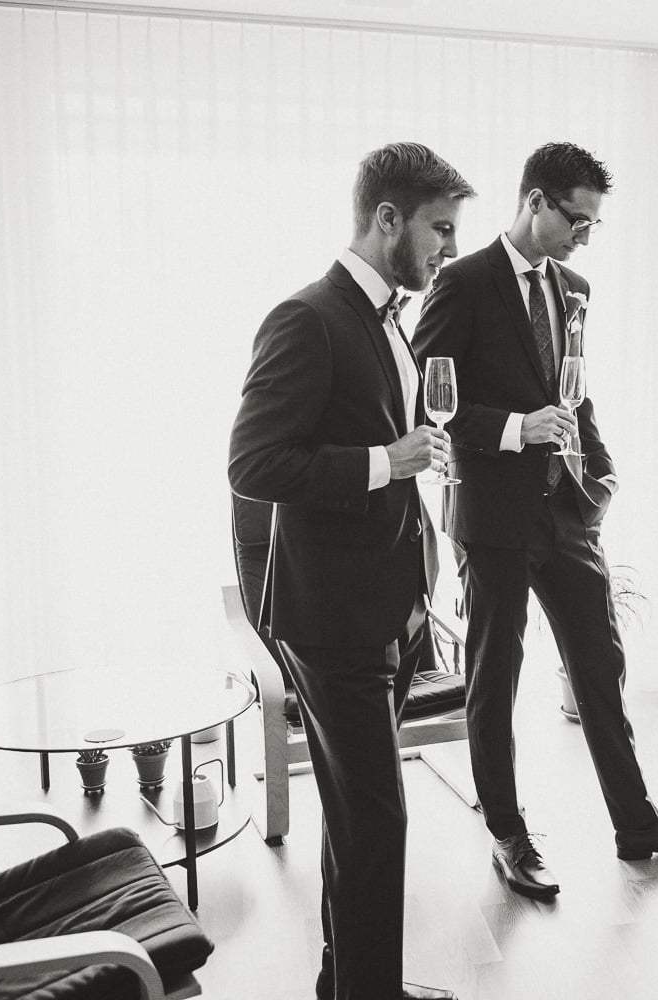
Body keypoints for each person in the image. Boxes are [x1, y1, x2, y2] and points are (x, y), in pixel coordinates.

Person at [413, 141, 658, 901]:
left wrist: (603, 468)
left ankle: (637, 821)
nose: (584, 236)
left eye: (591, 224)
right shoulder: (461, 282)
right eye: (577, 220)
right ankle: (507, 834)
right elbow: (432, 399)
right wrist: (519, 428)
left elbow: (577, 396)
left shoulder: (576, 286)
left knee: (600, 669)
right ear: (535, 203)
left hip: (568, 514)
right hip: (491, 518)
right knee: (496, 678)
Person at [229, 141, 473, 1000]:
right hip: (333, 620)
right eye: (440, 229)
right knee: (377, 821)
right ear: (387, 219)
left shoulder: (390, 319)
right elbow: (254, 466)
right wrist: (386, 460)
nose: (448, 247)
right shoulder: (307, 317)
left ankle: (349, 984)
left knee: (356, 818)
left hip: (391, 612)